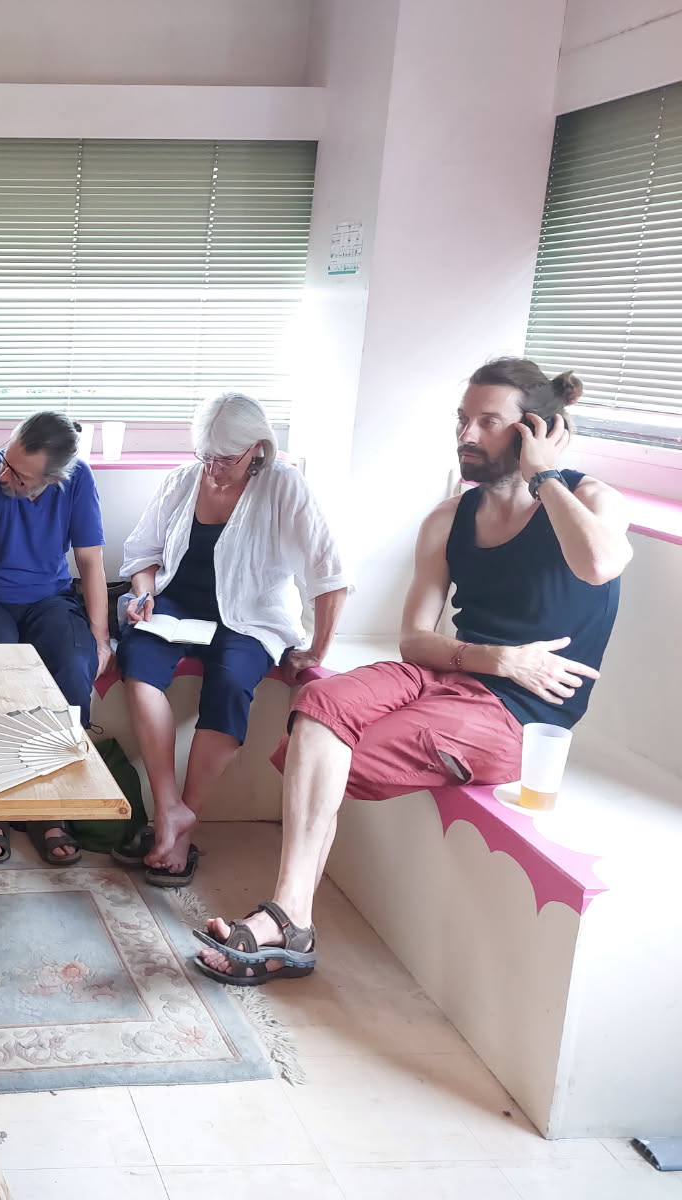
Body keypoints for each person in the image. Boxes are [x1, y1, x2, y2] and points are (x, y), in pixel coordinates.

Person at [195, 358, 629, 985]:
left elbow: (601, 565)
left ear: (534, 430)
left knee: (328, 753)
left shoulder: (589, 499)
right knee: (320, 705)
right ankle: (291, 919)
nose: (466, 435)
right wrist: (494, 657)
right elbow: (413, 640)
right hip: (449, 671)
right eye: (462, 419)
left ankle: (285, 924)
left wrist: (546, 477)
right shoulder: (449, 518)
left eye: (488, 422)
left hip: (519, 713)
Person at [117, 393, 350, 887]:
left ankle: (185, 821)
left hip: (249, 615)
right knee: (137, 657)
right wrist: (144, 594)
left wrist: (317, 650)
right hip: (175, 606)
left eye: (226, 459)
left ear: (257, 448)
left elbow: (329, 574)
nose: (214, 469)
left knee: (230, 681)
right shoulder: (184, 479)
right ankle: (168, 807)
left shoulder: (284, 485)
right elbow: (142, 553)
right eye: (206, 456)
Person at [0, 411, 111, 866]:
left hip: (49, 599)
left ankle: (51, 807)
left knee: (74, 669)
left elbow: (91, 563)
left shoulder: (78, 480)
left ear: (52, 479)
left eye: (18, 473)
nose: (4, 474)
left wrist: (101, 639)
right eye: (5, 459)